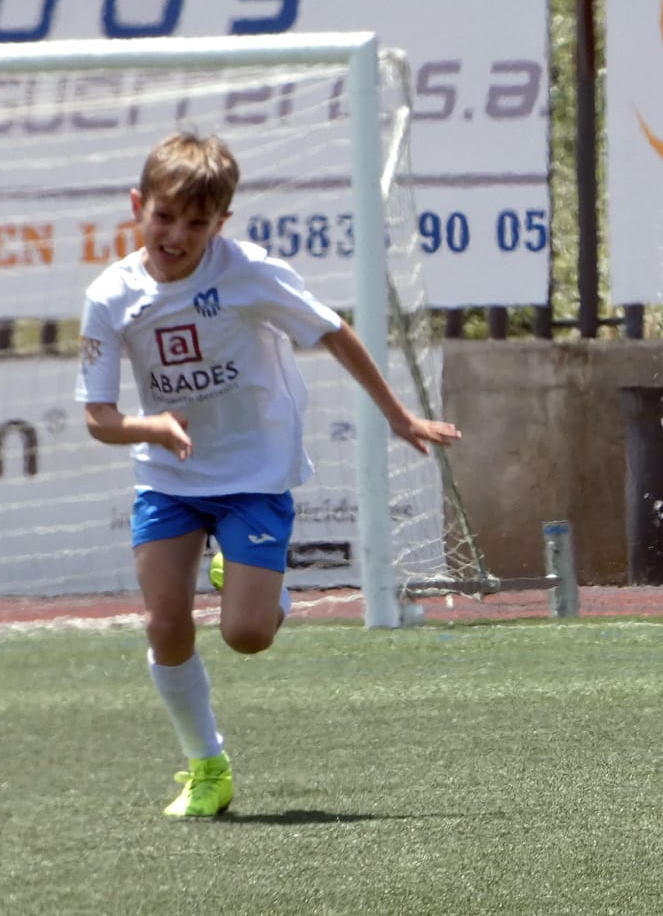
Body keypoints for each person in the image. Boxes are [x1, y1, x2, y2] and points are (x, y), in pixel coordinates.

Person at [76, 132, 461, 817]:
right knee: (165, 623)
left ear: (221, 223)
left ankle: (265, 588)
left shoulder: (248, 273)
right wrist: (152, 428)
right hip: (168, 476)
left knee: (247, 635)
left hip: (254, 471)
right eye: (165, 216)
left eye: (197, 223)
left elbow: (334, 331)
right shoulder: (110, 296)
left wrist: (399, 416)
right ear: (139, 206)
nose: (176, 235)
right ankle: (207, 765)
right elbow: (100, 418)